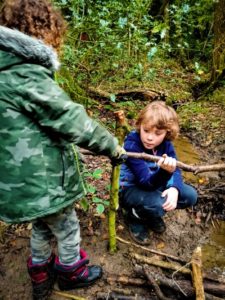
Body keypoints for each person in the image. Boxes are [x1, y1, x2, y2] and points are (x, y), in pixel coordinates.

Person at [0, 1, 126, 299]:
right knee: (67, 225)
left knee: (43, 224)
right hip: (43, 181)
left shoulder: (4, 71)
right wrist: (111, 146)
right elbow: (70, 119)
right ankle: (72, 272)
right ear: (44, 33)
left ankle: (40, 271)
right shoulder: (25, 74)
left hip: (18, 184)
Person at [119, 101, 197, 245]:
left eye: (157, 133)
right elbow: (145, 182)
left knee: (190, 196)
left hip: (154, 182)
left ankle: (150, 213)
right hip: (130, 188)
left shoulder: (166, 145)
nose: (150, 137)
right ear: (139, 126)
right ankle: (134, 216)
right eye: (146, 130)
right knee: (158, 204)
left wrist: (174, 188)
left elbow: (176, 169)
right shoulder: (132, 144)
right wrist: (165, 172)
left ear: (167, 133)